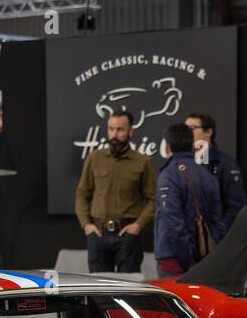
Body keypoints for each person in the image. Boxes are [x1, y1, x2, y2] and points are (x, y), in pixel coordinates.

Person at [74, 109, 155, 274]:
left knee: (128, 289)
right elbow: (82, 193)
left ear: (131, 131)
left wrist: (138, 226)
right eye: (111, 129)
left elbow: (153, 199)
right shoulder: (94, 158)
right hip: (98, 234)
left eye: (120, 130)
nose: (114, 134)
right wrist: (86, 225)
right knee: (98, 290)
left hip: (128, 235)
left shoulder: (142, 162)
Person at [154, 123, 221, 276]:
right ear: (192, 144)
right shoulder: (208, 176)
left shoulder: (168, 175)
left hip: (174, 262)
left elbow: (173, 224)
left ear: (167, 146)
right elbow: (217, 224)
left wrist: (188, 263)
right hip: (204, 259)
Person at [184, 112, 245, 238]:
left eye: (192, 129)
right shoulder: (184, 163)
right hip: (189, 239)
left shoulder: (225, 164)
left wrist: (218, 233)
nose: (186, 133)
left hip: (215, 239)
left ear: (208, 132)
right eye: (185, 129)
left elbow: (236, 205)